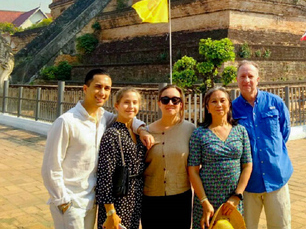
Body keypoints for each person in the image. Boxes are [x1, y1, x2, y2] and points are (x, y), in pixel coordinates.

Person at [41, 69, 153, 229]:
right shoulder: (66, 122)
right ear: (85, 89)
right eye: (98, 86)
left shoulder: (103, 117)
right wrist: (63, 201)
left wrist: (142, 129)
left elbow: (127, 117)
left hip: (91, 200)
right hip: (70, 200)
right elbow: (50, 167)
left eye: (107, 88)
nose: (102, 92)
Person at [232, 61, 293, 229]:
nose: (247, 80)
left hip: (276, 176)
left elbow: (284, 132)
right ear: (237, 80)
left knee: (280, 225)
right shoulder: (232, 109)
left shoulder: (275, 103)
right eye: (242, 76)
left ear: (257, 79)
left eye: (250, 76)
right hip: (248, 183)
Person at [188, 87, 253, 229]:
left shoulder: (240, 131)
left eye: (222, 100)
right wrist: (204, 201)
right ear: (207, 107)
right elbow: (193, 170)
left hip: (233, 199)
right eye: (214, 101)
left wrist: (237, 196)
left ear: (229, 104)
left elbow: (247, 165)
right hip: (207, 199)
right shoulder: (199, 134)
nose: (219, 105)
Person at [141, 85, 195, 229]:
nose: (170, 103)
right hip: (151, 197)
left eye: (175, 100)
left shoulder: (190, 130)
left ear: (181, 104)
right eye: (165, 100)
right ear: (159, 103)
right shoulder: (146, 131)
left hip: (180, 196)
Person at [96, 87, 146, 229]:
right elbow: (105, 175)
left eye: (135, 103)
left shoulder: (136, 132)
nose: (131, 107)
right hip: (118, 197)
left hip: (135, 195)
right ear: (117, 106)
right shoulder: (112, 134)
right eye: (126, 102)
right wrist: (110, 212)